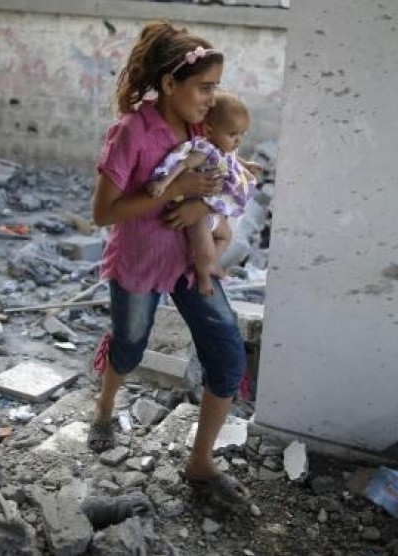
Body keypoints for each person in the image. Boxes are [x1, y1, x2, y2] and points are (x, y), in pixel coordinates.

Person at [89, 21, 249, 507]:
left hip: (190, 262)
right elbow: (103, 213)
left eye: (214, 87)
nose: (210, 97)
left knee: (227, 353)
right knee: (131, 348)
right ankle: (105, 407)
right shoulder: (131, 132)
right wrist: (178, 191)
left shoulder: (204, 125)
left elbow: (223, 178)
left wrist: (202, 206)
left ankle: (200, 463)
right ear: (169, 84)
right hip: (139, 262)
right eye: (203, 87)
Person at [146, 91, 259, 296]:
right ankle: (204, 277)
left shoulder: (226, 151)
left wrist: (247, 165)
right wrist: (164, 182)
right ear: (208, 130)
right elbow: (183, 164)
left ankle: (212, 265)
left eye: (243, 135)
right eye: (233, 135)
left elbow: (234, 160)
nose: (238, 141)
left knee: (226, 236)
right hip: (198, 213)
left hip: (214, 211)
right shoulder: (204, 151)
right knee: (204, 250)